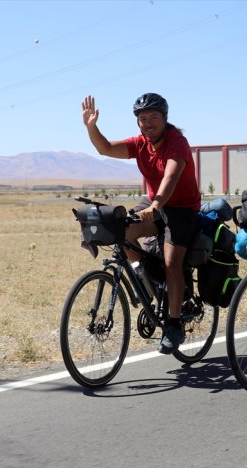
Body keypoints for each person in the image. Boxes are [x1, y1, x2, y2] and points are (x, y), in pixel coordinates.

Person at [81, 93, 201, 354]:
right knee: (120, 230)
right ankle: (148, 280)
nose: (147, 123)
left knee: (171, 262)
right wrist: (92, 126)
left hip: (181, 209)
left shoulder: (176, 142)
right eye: (142, 119)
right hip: (154, 203)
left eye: (153, 118)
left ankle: (173, 322)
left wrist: (157, 206)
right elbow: (104, 148)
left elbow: (170, 177)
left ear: (164, 118)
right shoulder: (140, 144)